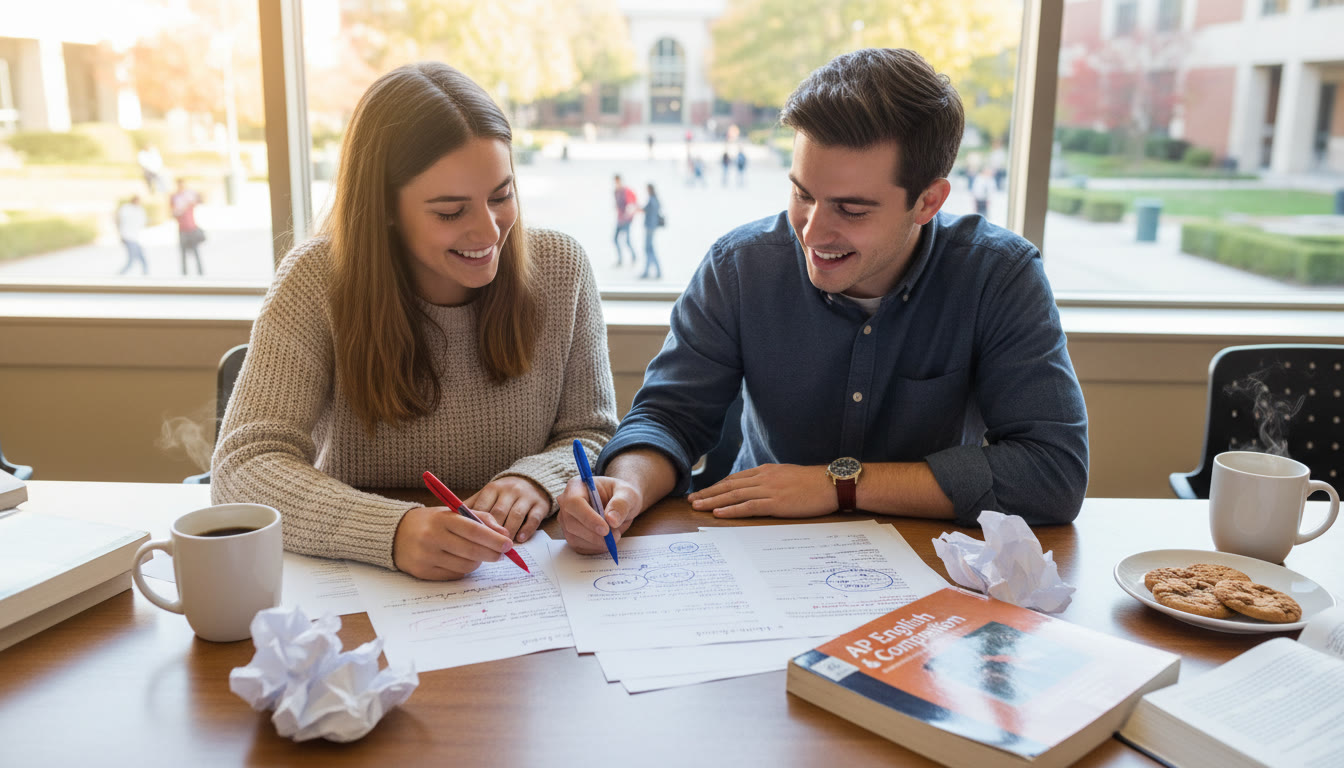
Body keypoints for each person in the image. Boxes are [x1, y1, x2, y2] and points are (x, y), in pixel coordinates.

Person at [557, 48, 1088, 556]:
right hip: (758, 549)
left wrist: (839, 485)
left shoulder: (999, 275)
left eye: (851, 210)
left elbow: (1054, 473)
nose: (811, 233)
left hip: (931, 560)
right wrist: (625, 486)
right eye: (803, 194)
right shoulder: (739, 265)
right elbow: (668, 417)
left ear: (928, 201)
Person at [211, 62, 618, 581]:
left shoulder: (562, 267)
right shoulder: (314, 280)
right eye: (450, 212)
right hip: (362, 584)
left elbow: (592, 432)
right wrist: (392, 531)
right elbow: (243, 466)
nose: (489, 231)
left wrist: (538, 479)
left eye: (501, 195)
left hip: (516, 579)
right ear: (383, 207)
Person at [170, 178, 205, 275]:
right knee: (183, 255)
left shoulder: (189, 196)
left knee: (196, 253)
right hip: (182, 229)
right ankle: (184, 275)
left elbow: (200, 200)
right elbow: (172, 213)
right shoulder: (174, 197)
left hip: (191, 228)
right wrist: (180, 210)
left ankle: (201, 273)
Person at [115, 195, 148, 275]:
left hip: (135, 238)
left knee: (142, 258)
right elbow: (118, 220)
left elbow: (143, 222)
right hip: (128, 237)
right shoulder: (126, 209)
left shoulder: (139, 210)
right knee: (132, 260)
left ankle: (145, 274)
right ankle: (119, 274)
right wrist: (120, 233)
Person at [639, 183, 662, 280]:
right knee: (650, 249)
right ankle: (656, 271)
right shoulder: (655, 199)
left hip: (650, 227)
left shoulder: (652, 200)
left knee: (648, 249)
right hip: (652, 226)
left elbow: (647, 210)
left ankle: (648, 271)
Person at [612, 174, 637, 266]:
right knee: (615, 239)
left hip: (627, 220)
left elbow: (632, 203)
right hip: (620, 219)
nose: (617, 183)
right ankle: (620, 259)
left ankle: (634, 257)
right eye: (615, 182)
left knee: (627, 240)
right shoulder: (616, 192)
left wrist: (628, 213)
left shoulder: (626, 191)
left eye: (618, 181)